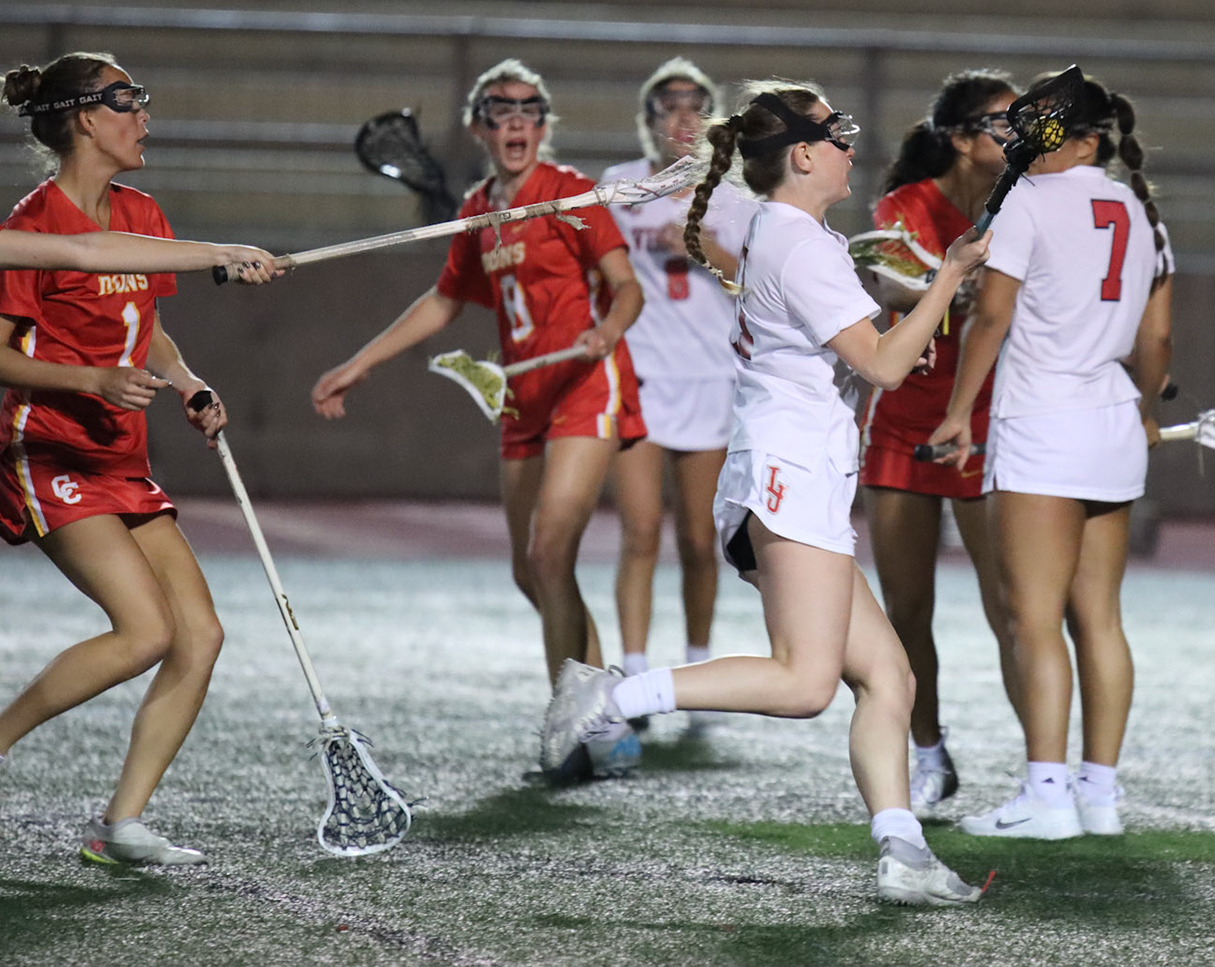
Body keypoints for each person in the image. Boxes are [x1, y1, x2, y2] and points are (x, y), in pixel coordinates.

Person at [543, 82, 990, 906]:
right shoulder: (797, 241)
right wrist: (950, 274)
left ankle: (904, 853)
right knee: (805, 684)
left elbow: (861, 348)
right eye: (835, 132)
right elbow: (885, 367)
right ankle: (613, 694)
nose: (850, 145)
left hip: (789, 473)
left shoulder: (785, 232)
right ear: (803, 156)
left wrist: (904, 321)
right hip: (791, 475)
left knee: (889, 678)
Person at [0, 54, 279, 868]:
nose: (145, 115)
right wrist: (91, 379)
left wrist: (187, 382)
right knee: (146, 630)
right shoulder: (34, 227)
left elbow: (141, 317)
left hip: (121, 455)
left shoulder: (142, 213)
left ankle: (121, 824)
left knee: (200, 635)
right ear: (87, 117)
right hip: (46, 446)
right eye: (129, 101)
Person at [311, 59, 646, 715]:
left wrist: (607, 329)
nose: (516, 122)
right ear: (478, 128)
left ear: (543, 126)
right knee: (531, 570)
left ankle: (572, 722)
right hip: (522, 395)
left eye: (529, 110)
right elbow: (444, 301)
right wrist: (361, 362)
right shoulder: (476, 212)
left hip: (585, 382)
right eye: (501, 111)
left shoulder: (571, 194)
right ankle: (604, 704)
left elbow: (627, 286)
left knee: (550, 552)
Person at [927, 75, 1173, 841]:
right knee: (1100, 620)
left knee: (1031, 619)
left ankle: (1046, 796)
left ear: (1084, 137)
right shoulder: (1139, 207)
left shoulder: (1026, 201)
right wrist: (1148, 407)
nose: (1024, 140)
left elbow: (991, 317)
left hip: (1042, 423)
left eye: (1039, 127)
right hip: (1111, 422)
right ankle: (1099, 795)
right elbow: (1157, 339)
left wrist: (957, 413)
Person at [859, 70, 1019, 817]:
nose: (1019, 137)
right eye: (1002, 124)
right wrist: (955, 284)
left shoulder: (1029, 200)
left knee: (1013, 609)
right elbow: (886, 284)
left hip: (993, 421)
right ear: (959, 139)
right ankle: (928, 752)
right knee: (907, 608)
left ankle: (1044, 771)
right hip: (906, 421)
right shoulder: (907, 206)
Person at [599, 59, 753, 724]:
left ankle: (696, 665)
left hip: (710, 376)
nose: (683, 118)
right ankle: (634, 673)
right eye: (670, 107)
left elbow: (758, 281)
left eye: (696, 106)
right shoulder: (618, 185)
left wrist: (700, 245)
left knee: (697, 537)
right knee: (639, 530)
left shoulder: (734, 194)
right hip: (639, 372)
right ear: (649, 119)